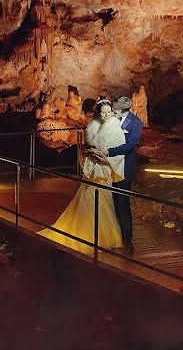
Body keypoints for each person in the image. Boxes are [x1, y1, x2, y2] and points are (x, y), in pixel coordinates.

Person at [38, 100, 124, 255]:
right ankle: (94, 235)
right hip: (97, 168)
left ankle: (104, 234)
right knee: (92, 201)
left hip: (104, 168)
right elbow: (86, 148)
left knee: (105, 201)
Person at [92, 96, 143, 253]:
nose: (112, 113)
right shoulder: (109, 117)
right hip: (105, 167)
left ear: (124, 112)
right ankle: (107, 236)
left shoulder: (135, 123)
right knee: (106, 201)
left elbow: (130, 146)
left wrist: (108, 151)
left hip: (123, 168)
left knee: (122, 202)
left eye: (115, 111)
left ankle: (127, 239)